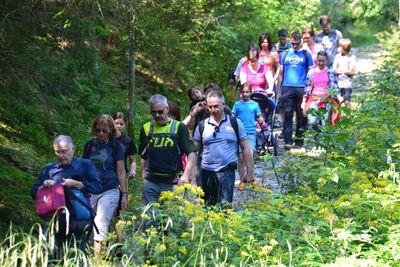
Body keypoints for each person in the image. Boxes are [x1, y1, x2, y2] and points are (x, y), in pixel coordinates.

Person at [31, 135, 102, 255]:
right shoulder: (48, 169)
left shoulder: (85, 165)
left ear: (73, 149)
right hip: (54, 219)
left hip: (78, 219)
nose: (60, 155)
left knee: (75, 255)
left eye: (64, 151)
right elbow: (33, 192)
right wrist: (44, 187)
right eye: (57, 152)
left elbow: (97, 187)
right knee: (50, 255)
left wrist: (78, 184)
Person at [193, 90, 254, 209]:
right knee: (207, 210)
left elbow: (246, 148)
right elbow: (193, 152)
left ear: (224, 105)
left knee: (225, 209)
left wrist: (250, 172)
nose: (213, 110)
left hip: (227, 172)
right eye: (210, 107)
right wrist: (192, 177)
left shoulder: (235, 123)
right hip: (206, 173)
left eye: (216, 106)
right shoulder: (202, 125)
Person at [82, 114, 127, 258]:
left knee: (101, 222)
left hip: (109, 189)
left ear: (110, 131)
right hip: (90, 189)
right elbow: (82, 167)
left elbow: (121, 171)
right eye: (98, 130)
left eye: (104, 131)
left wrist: (124, 194)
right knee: (86, 223)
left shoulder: (116, 146)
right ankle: (86, 256)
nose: (101, 133)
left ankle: (98, 260)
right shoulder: (90, 145)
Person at [139, 94, 196, 206]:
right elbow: (143, 155)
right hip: (151, 182)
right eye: (153, 112)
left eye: (160, 111)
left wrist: (186, 175)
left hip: (173, 182)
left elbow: (191, 153)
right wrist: (143, 177)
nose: (157, 115)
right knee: (149, 219)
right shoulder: (146, 129)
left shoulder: (180, 128)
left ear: (167, 109)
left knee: (172, 219)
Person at [278, 32, 314, 149]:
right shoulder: (284, 54)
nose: (294, 46)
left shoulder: (306, 54)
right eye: (292, 43)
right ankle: (288, 141)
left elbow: (311, 73)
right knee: (288, 114)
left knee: (301, 114)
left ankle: (299, 141)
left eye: (296, 44)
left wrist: (309, 91)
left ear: (301, 42)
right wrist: (279, 90)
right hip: (287, 87)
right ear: (290, 42)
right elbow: (280, 74)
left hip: (301, 87)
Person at [232, 83, 261, 190]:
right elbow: (233, 116)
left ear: (251, 92)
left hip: (251, 132)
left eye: (247, 92)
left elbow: (259, 116)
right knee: (240, 158)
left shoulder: (255, 104)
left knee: (250, 155)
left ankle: (250, 177)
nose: (245, 94)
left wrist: (261, 120)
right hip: (239, 133)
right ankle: (242, 180)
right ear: (240, 93)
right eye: (243, 92)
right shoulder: (237, 104)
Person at [302, 51, 339, 131]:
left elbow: (335, 88)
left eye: (323, 61)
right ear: (316, 60)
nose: (321, 63)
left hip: (326, 101)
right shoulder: (311, 72)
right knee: (312, 121)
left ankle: (323, 141)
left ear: (326, 61)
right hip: (314, 100)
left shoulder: (331, 72)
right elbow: (307, 89)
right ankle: (316, 138)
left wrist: (336, 100)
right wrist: (304, 101)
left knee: (324, 123)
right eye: (319, 61)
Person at [113, 112, 137, 178]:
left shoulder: (128, 141)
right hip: (106, 174)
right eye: (116, 123)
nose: (119, 126)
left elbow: (133, 161)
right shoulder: (106, 138)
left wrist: (133, 171)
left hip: (121, 175)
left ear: (125, 125)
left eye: (121, 124)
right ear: (112, 124)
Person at [333, 38, 356, 106]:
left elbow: (352, 72)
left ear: (344, 48)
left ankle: (348, 116)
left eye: (339, 46)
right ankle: (338, 116)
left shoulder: (351, 57)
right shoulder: (337, 56)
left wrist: (340, 71)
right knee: (337, 101)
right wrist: (345, 72)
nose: (338, 48)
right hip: (337, 84)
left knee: (347, 101)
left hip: (347, 84)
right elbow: (334, 70)